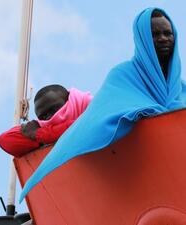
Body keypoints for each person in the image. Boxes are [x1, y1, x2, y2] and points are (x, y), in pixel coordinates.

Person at [20, 7, 186, 202]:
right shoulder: (123, 76)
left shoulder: (182, 88)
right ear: (143, 40)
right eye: (155, 34)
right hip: (133, 181)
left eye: (168, 33)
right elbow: (95, 122)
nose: (164, 39)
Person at [0, 84, 93, 157]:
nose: (49, 117)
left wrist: (40, 134)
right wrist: (42, 135)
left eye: (54, 109)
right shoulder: (44, 127)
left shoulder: (93, 105)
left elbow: (85, 126)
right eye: (43, 116)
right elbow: (5, 140)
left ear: (69, 99)